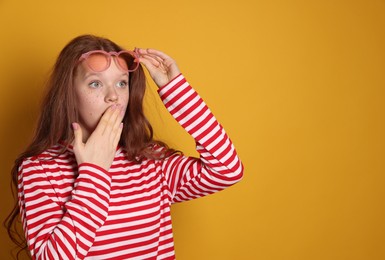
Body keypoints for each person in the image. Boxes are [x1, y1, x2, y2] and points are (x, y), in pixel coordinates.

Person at [5, 34, 244, 260]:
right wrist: (93, 173)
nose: (113, 96)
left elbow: (227, 169)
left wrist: (177, 91)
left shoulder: (151, 161)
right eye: (96, 84)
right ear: (69, 92)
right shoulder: (39, 170)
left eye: (121, 83)